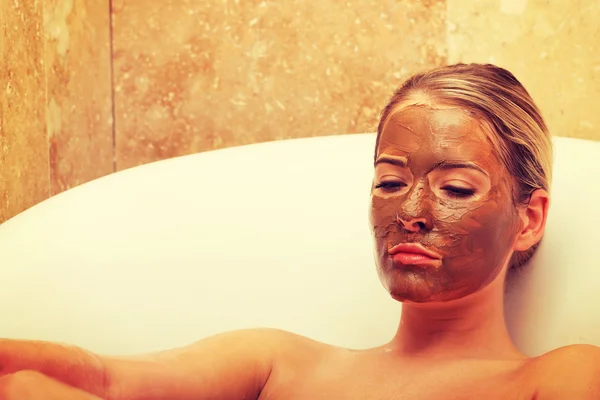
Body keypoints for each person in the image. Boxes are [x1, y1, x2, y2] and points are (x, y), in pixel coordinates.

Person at [1, 63, 599, 399]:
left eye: (456, 188)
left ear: (529, 219)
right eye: (389, 182)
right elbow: (105, 379)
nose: (410, 211)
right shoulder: (277, 362)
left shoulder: (559, 377)